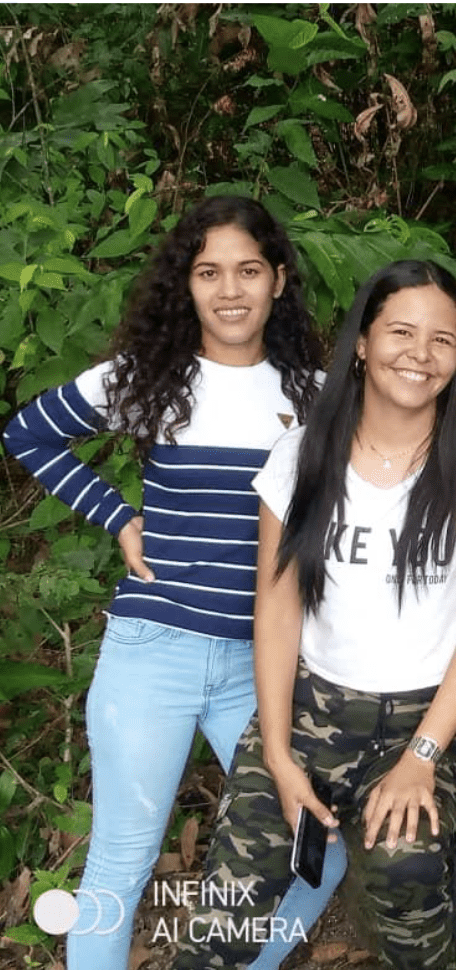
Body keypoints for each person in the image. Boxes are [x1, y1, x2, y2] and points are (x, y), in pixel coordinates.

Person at [2, 196, 339, 969]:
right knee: (118, 869)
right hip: (153, 653)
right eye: (208, 272)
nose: (230, 290)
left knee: (320, 854)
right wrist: (118, 517)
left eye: (248, 270)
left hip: (261, 664)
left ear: (278, 280)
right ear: (185, 284)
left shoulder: (316, 397)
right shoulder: (148, 378)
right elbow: (27, 433)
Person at [170, 260, 456, 969]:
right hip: (312, 710)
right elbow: (277, 611)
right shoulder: (301, 457)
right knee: (223, 922)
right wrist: (278, 755)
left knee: (403, 863)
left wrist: (421, 759)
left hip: (432, 719)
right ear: (362, 342)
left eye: (441, 340)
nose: (419, 354)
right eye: (400, 332)